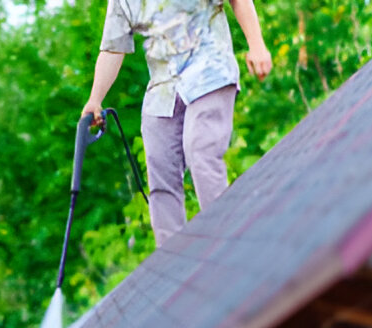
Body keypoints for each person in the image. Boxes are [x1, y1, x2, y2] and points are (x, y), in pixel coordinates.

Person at [82, 0, 272, 245]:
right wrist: (95, 99)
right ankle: (173, 259)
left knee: (200, 148)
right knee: (160, 170)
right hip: (163, 89)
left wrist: (256, 45)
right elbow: (112, 48)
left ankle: (227, 241)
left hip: (209, 69)